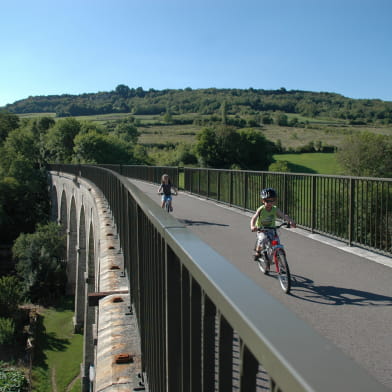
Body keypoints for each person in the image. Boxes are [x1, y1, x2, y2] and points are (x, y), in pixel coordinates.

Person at [250, 187, 296, 261]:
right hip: (262, 229)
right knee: (262, 239)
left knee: (276, 242)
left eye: (272, 201)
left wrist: (291, 221)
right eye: (267, 201)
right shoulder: (261, 209)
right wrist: (252, 226)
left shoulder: (275, 209)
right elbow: (254, 218)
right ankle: (258, 252)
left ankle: (279, 260)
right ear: (263, 201)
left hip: (272, 229)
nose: (269, 203)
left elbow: (283, 215)